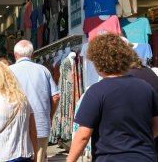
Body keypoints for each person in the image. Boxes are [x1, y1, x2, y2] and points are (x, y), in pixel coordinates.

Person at [67, 33, 158, 162]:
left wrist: (70, 160)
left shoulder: (96, 92)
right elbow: (156, 125)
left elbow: (83, 135)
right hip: (145, 157)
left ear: (98, 62)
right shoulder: (145, 88)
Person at [9, 40, 60, 162]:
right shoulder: (43, 70)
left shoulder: (8, 71)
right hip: (41, 124)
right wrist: (49, 116)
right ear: (32, 55)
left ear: (15, 55)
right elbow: (55, 97)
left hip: (16, 127)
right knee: (39, 158)